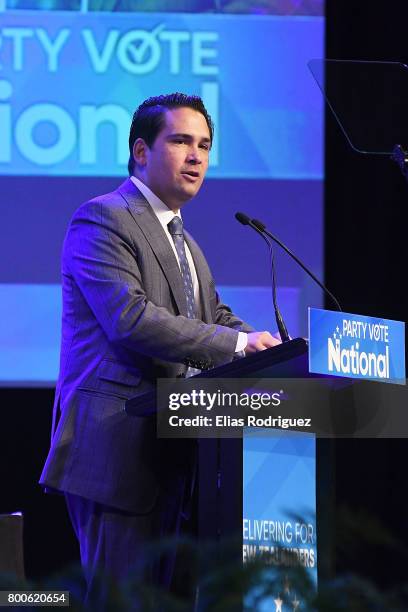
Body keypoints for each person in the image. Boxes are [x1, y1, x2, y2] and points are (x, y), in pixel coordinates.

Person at [39, 93, 280, 602]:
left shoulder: (186, 242)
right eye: (181, 141)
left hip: (178, 454)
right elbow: (130, 319)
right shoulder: (102, 219)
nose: (196, 156)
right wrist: (237, 344)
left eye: (205, 145)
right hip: (117, 451)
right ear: (141, 151)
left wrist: (273, 347)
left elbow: (211, 317)